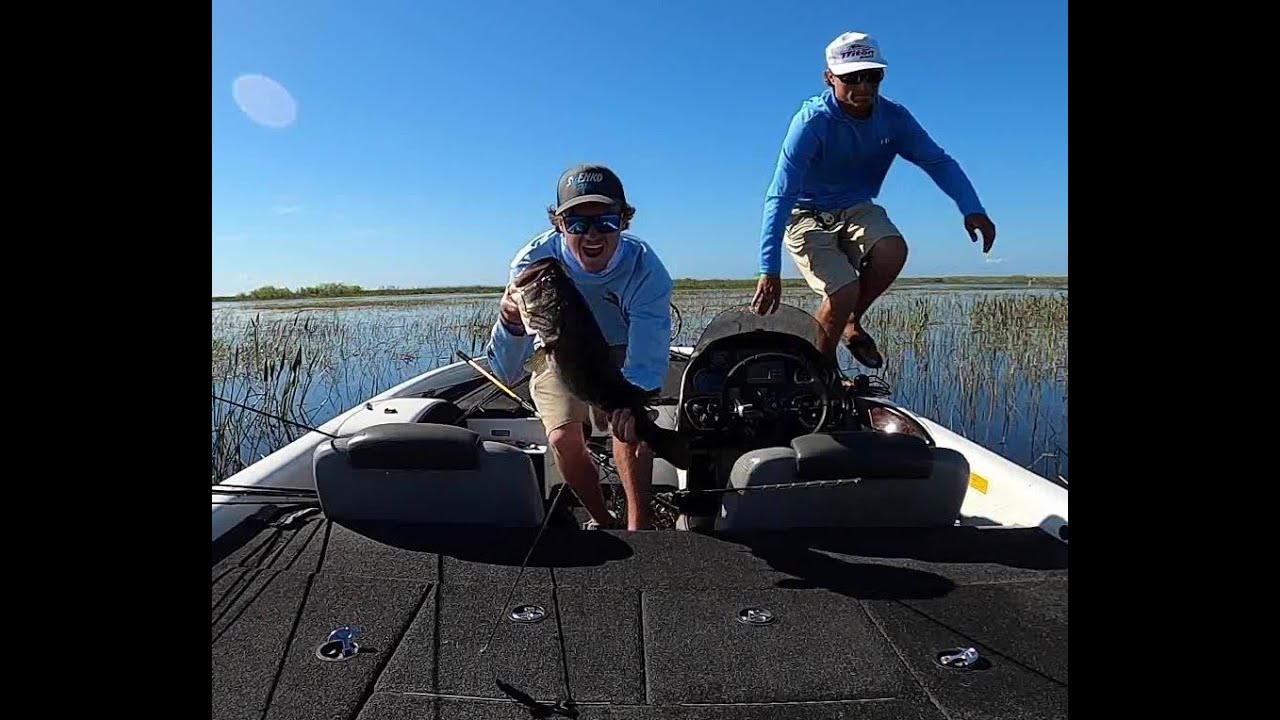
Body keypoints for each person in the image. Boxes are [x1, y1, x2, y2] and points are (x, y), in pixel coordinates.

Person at [751, 30, 997, 368]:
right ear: (829, 78)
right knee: (842, 290)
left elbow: (937, 161)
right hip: (804, 211)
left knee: (892, 250)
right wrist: (769, 268)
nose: (864, 87)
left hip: (855, 206)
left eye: (873, 76)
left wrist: (972, 208)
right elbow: (780, 194)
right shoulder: (810, 123)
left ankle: (851, 322)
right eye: (852, 77)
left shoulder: (894, 118)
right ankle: (821, 376)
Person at [485, 164, 674, 531]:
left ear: (625, 221)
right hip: (559, 349)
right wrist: (509, 322)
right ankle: (603, 520)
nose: (592, 234)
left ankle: (639, 528)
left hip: (622, 343)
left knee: (629, 424)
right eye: (576, 224)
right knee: (562, 436)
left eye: (606, 221)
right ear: (558, 224)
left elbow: (648, 354)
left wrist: (631, 402)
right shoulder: (533, 265)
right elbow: (506, 370)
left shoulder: (647, 270)